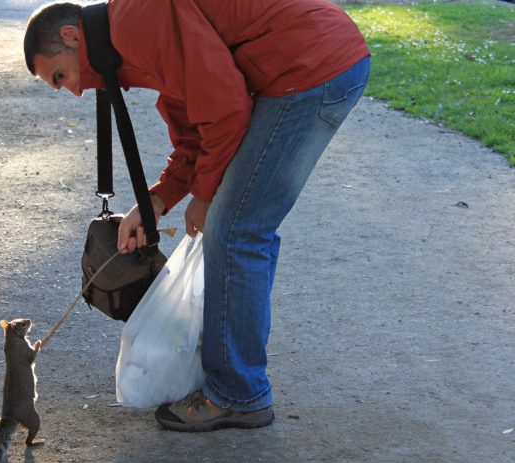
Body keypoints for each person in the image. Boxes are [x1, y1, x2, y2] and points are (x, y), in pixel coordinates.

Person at [24, 0, 370, 432]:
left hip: (309, 68)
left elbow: (224, 109)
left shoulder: (136, 24)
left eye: (61, 76)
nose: (74, 90)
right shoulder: (128, 34)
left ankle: (238, 395)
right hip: (308, 66)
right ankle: (237, 381)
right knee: (242, 228)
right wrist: (158, 200)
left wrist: (204, 196)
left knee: (236, 232)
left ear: (72, 37)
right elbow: (195, 123)